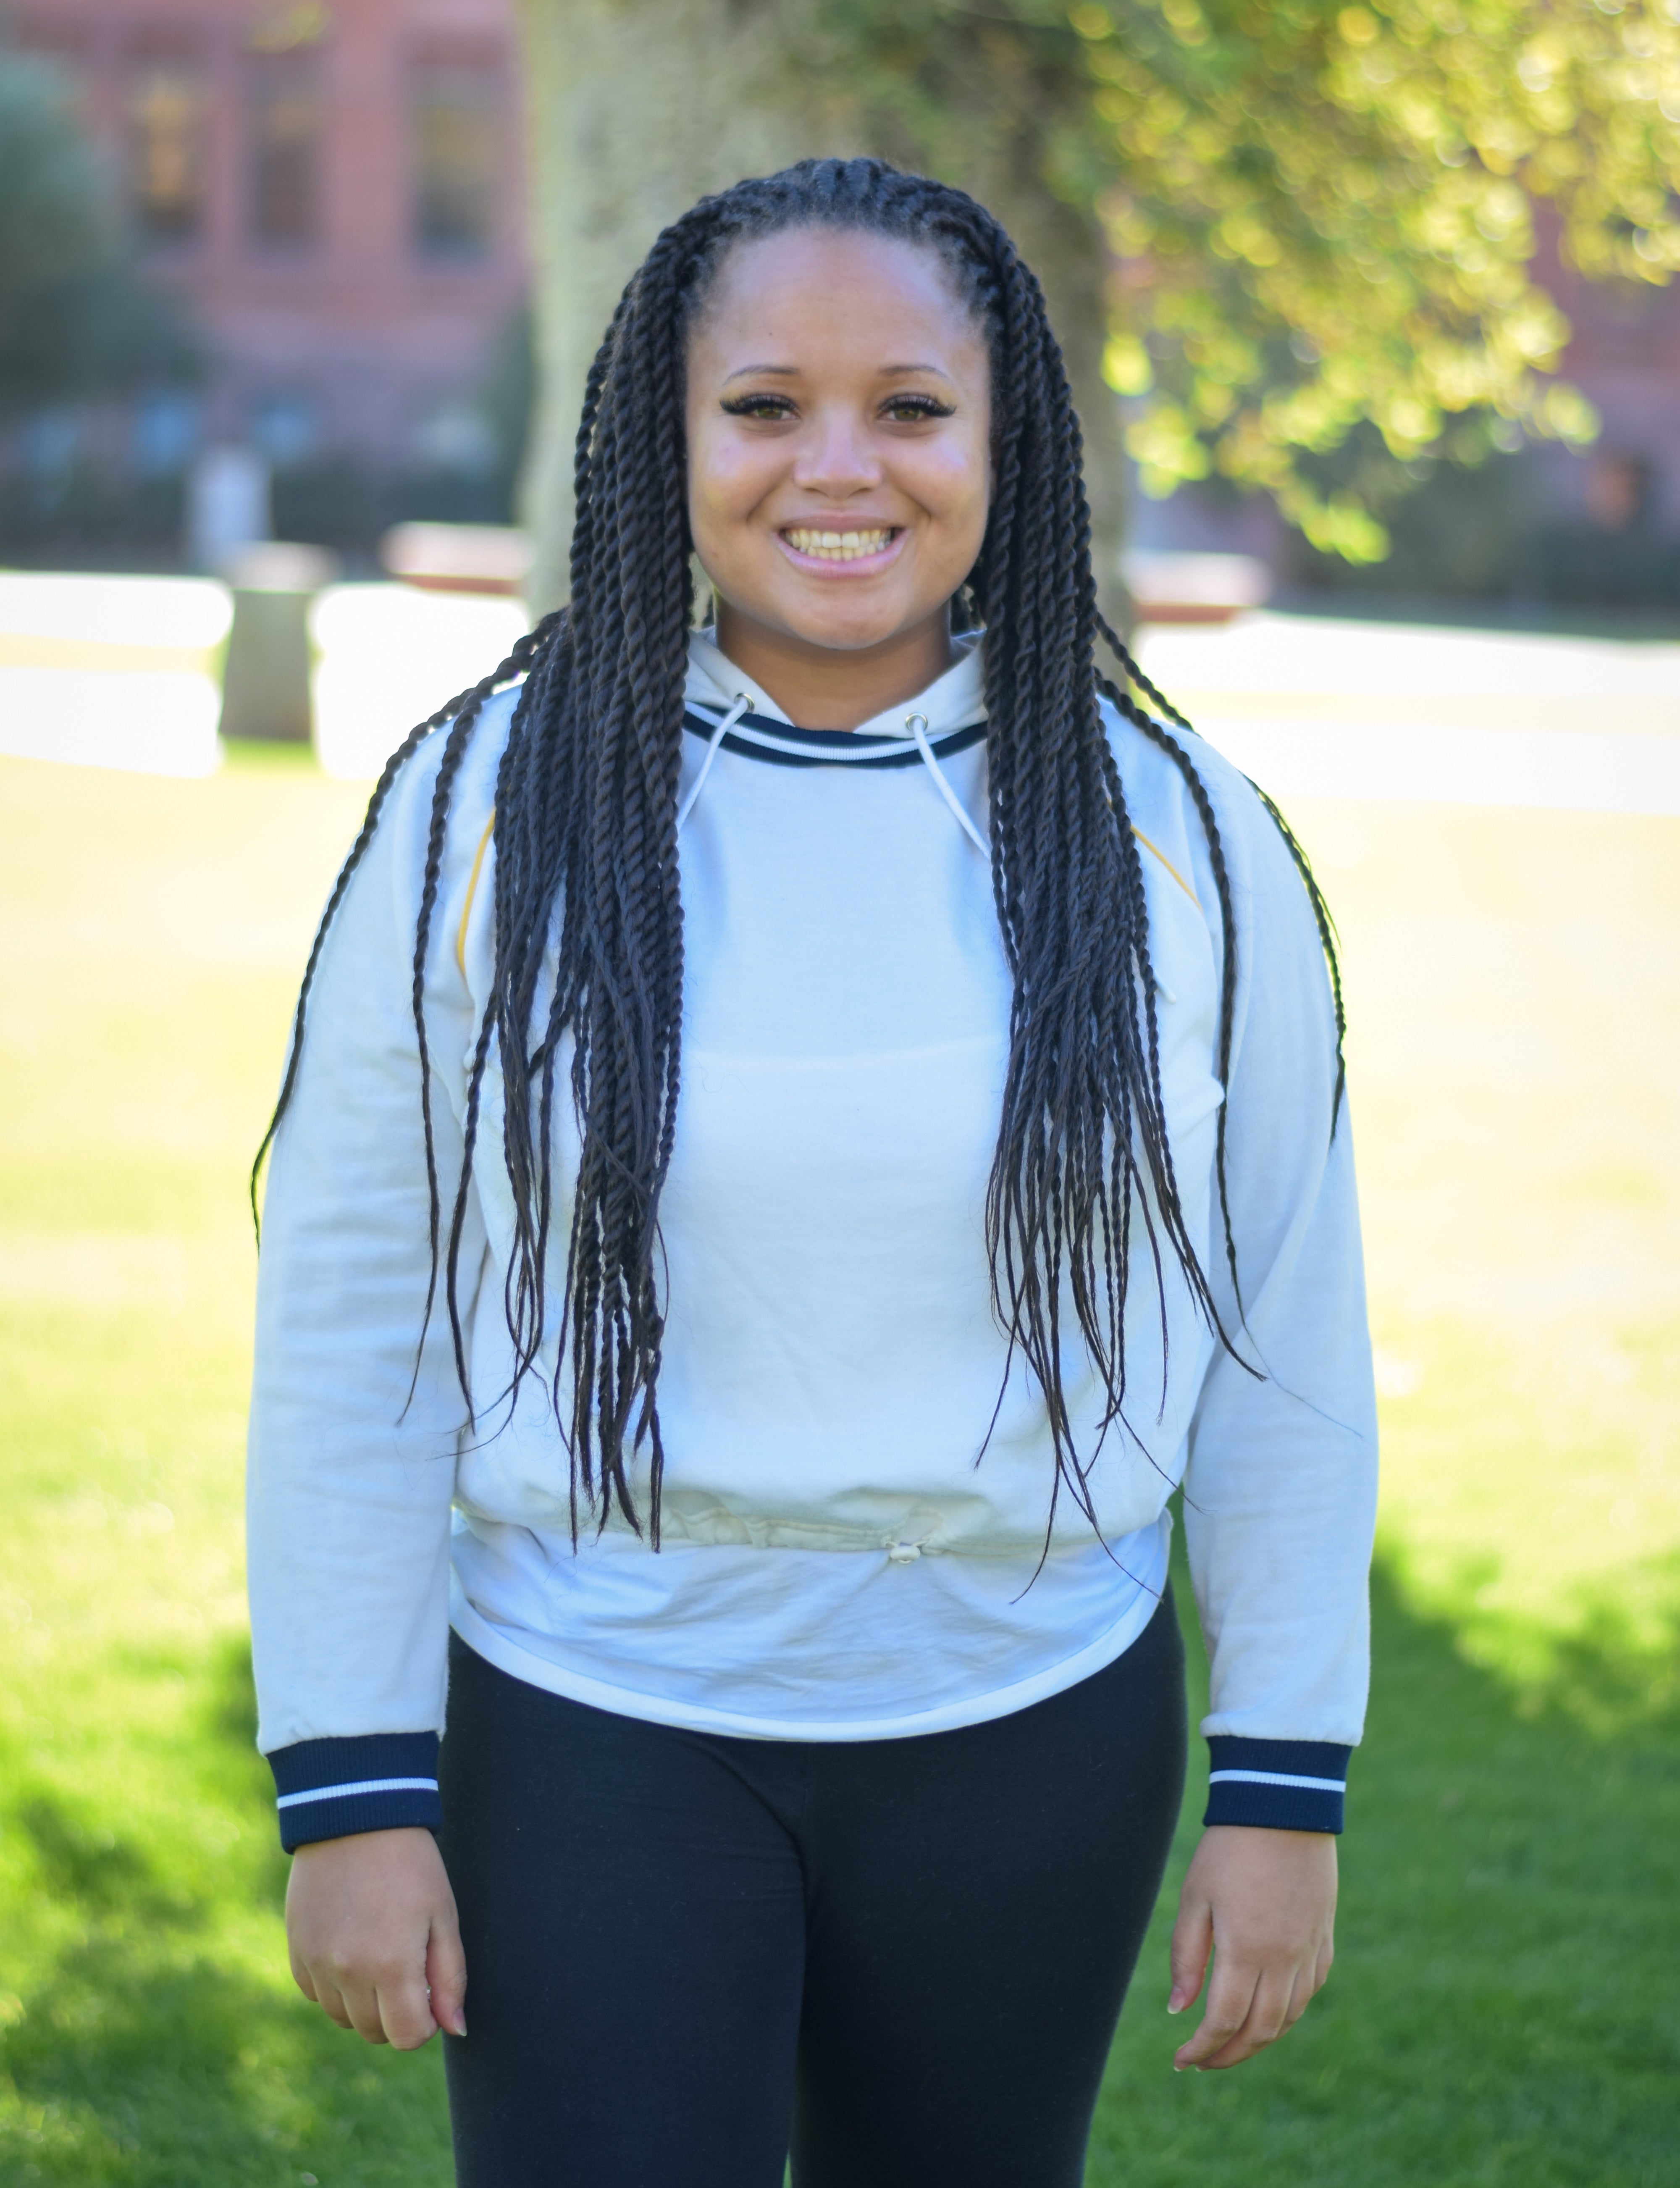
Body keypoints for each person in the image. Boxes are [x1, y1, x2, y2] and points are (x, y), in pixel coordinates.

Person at [248, 158, 1376, 2188]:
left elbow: (1282, 1330)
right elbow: (356, 1309)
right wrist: (349, 1785)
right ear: (660, 440)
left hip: (1032, 1723)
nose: (836, 466)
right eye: (764, 404)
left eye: (912, 407)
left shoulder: (1182, 836)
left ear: (1005, 441)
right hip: (590, 1714)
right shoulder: (485, 809)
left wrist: (1282, 1785)